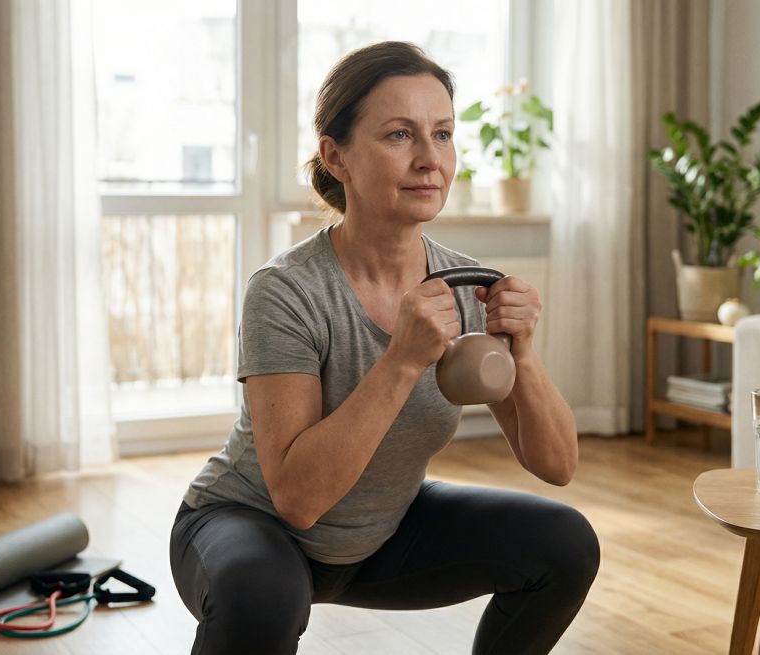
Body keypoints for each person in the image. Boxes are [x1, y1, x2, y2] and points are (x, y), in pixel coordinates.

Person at [170, 41, 600, 655]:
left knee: (564, 544)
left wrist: (523, 353)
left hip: (382, 533)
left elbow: (556, 464)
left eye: (444, 134)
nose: (431, 160)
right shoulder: (286, 290)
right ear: (336, 157)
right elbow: (297, 500)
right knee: (261, 594)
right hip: (252, 527)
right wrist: (401, 359)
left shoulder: (467, 288)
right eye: (400, 135)